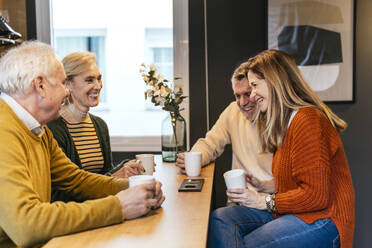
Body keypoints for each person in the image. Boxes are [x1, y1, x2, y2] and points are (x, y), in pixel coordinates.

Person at [0, 41, 165, 248]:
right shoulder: (4, 130)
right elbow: (26, 224)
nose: (66, 93)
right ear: (40, 86)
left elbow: (77, 180)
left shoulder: (38, 130)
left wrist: (136, 186)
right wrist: (119, 206)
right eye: (61, 83)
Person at [208, 49, 355, 248]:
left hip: (324, 219)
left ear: (274, 81)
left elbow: (316, 196)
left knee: (249, 244)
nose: (252, 94)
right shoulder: (287, 123)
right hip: (295, 212)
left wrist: (262, 200)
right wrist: (264, 185)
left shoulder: (307, 121)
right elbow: (296, 181)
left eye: (254, 86)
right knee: (220, 219)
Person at [47, 51, 143, 202]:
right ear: (68, 84)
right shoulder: (53, 129)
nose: (98, 86)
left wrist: (126, 167)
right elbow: (61, 194)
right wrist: (113, 177)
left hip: (103, 207)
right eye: (89, 80)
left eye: (99, 78)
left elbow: (105, 172)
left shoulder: (99, 125)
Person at [176, 62, 273, 190]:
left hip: (270, 199)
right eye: (237, 95)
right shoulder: (233, 110)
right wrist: (194, 158)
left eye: (248, 94)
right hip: (241, 197)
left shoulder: (276, 118)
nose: (243, 103)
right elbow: (210, 144)